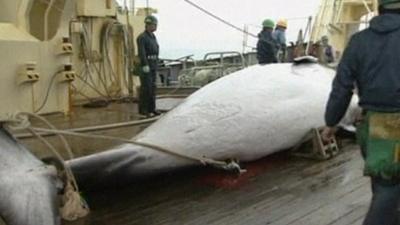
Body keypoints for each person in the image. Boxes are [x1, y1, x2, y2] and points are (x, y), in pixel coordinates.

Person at [321, 1, 400, 224]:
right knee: (389, 188)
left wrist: (331, 121)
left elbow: (342, 86)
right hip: (395, 127)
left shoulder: (358, 41)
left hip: (371, 125)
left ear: (379, 9)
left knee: (382, 182)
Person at [136, 15, 160, 117]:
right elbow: (142, 52)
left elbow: (156, 49)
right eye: (154, 25)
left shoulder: (153, 37)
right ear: (148, 25)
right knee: (146, 88)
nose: (155, 27)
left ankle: (152, 109)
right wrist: (145, 64)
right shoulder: (142, 37)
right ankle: (144, 110)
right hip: (146, 65)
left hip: (153, 64)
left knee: (152, 88)